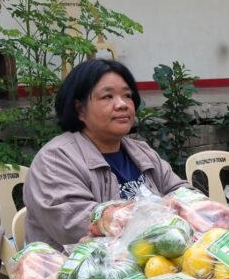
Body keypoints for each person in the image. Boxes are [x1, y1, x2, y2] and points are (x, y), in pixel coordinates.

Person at [24, 60, 187, 249]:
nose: (122, 104)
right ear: (80, 109)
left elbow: (182, 193)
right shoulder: (55, 160)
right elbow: (81, 226)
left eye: (127, 96)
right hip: (81, 271)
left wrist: (198, 208)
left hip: (151, 264)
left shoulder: (142, 152)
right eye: (107, 96)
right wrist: (166, 212)